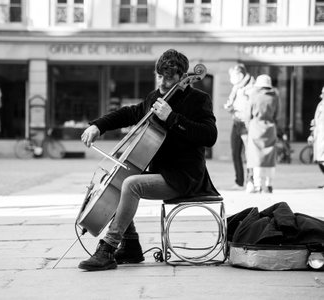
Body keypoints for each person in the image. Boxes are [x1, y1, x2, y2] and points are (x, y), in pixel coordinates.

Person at [78, 49, 220, 271]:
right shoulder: (155, 98)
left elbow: (210, 136)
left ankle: (107, 248)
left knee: (131, 184)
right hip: (161, 172)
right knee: (119, 179)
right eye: (159, 76)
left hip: (184, 177)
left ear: (183, 77)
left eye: (169, 77)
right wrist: (98, 125)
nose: (163, 82)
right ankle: (131, 245)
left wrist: (172, 118)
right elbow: (129, 113)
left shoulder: (198, 100)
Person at [245, 75, 280, 193]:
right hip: (270, 127)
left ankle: (258, 184)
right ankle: (269, 184)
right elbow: (277, 114)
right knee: (270, 157)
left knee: (256, 158)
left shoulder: (254, 96)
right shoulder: (275, 96)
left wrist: (248, 124)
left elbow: (247, 114)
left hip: (255, 127)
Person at [224, 64, 254, 192]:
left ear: (240, 75)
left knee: (249, 154)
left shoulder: (251, 87)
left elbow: (251, 106)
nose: (232, 79)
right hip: (236, 122)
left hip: (246, 124)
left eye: (233, 76)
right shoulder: (236, 87)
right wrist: (230, 107)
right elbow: (232, 102)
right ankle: (239, 181)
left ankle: (251, 181)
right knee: (235, 153)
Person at [308, 86, 324, 188]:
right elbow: (315, 120)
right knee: (319, 160)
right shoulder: (320, 105)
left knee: (322, 159)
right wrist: (312, 134)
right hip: (319, 136)